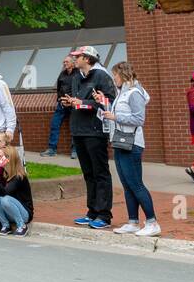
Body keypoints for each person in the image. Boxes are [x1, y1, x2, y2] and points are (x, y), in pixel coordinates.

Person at [98, 61, 160, 237]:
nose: (114, 79)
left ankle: (152, 222)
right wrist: (104, 104)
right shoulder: (122, 93)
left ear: (123, 75)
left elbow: (139, 119)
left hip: (132, 144)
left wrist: (115, 116)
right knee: (127, 185)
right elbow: (119, 112)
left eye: (115, 76)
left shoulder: (135, 93)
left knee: (136, 184)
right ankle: (132, 221)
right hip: (120, 141)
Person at [62, 46, 117, 229]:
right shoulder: (77, 76)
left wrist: (83, 103)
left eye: (78, 57)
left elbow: (108, 103)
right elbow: (78, 102)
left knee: (100, 172)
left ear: (87, 59)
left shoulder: (102, 76)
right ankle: (92, 211)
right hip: (78, 130)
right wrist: (70, 102)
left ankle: (104, 214)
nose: (74, 59)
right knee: (88, 174)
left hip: (95, 131)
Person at [0, 144, 34, 236]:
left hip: (24, 214)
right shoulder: (4, 173)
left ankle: (22, 226)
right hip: (9, 211)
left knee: (5, 198)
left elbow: (4, 193)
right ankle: (5, 225)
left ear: (8, 158)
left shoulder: (19, 176)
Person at [42, 55, 78, 156]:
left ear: (73, 63)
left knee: (74, 126)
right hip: (61, 105)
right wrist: (59, 99)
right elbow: (59, 89)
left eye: (66, 62)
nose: (64, 64)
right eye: (64, 62)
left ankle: (75, 150)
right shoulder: (62, 74)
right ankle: (52, 149)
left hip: (73, 104)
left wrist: (72, 100)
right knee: (54, 124)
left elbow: (80, 89)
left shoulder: (78, 74)